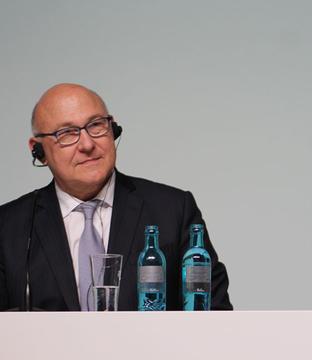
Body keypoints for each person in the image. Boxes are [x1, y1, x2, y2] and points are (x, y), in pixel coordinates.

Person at [0, 83, 232, 311]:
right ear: (38, 151)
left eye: (96, 125)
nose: (88, 144)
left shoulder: (173, 211)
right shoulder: (8, 227)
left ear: (114, 129)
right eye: (67, 133)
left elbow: (215, 315)